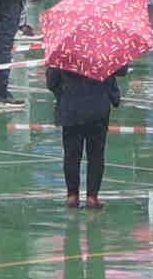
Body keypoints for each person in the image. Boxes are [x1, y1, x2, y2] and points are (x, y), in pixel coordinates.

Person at [52, 43, 124, 209]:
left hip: (71, 108)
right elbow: (122, 70)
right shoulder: (105, 44)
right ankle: (92, 196)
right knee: (96, 154)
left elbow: (52, 80)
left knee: (71, 154)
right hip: (98, 107)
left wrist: (63, 93)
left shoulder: (63, 47)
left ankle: (72, 195)